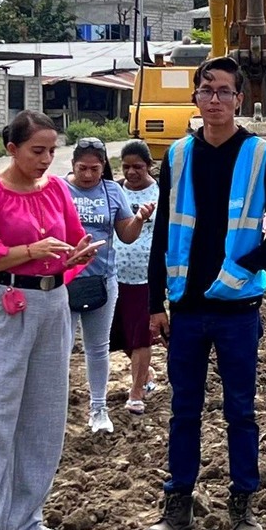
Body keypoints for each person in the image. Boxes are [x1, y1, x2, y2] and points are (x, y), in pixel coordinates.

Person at [142, 55, 266, 530]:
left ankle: (243, 504)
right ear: (195, 97)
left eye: (224, 91)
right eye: (207, 90)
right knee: (183, 410)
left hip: (237, 309)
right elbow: (163, 233)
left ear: (239, 99)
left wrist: (246, 265)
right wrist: (155, 303)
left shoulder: (261, 154)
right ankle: (178, 504)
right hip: (186, 305)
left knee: (240, 410)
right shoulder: (177, 156)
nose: (215, 99)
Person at [0, 111, 101, 530]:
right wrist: (29, 252)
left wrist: (74, 255)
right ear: (11, 148)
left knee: (44, 418)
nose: (47, 159)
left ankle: (24, 519)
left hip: (52, 304)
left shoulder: (55, 190)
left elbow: (71, 240)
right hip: (4, 304)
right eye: (37, 150)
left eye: (52, 150)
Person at [63, 137, 148, 435]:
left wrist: (139, 219)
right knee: (60, 348)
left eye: (95, 169)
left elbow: (126, 235)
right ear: (72, 165)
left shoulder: (112, 192)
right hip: (63, 281)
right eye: (82, 168)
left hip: (102, 280)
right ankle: (55, 408)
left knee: (98, 347)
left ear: (103, 168)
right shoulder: (59, 189)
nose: (88, 175)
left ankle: (98, 409)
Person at [110, 139, 162, 413]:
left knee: (141, 334)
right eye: (126, 167)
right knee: (120, 333)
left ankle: (137, 391)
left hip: (145, 276)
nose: (131, 172)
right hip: (114, 273)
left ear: (149, 166)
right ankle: (146, 374)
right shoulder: (115, 191)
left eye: (138, 167)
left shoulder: (160, 193)